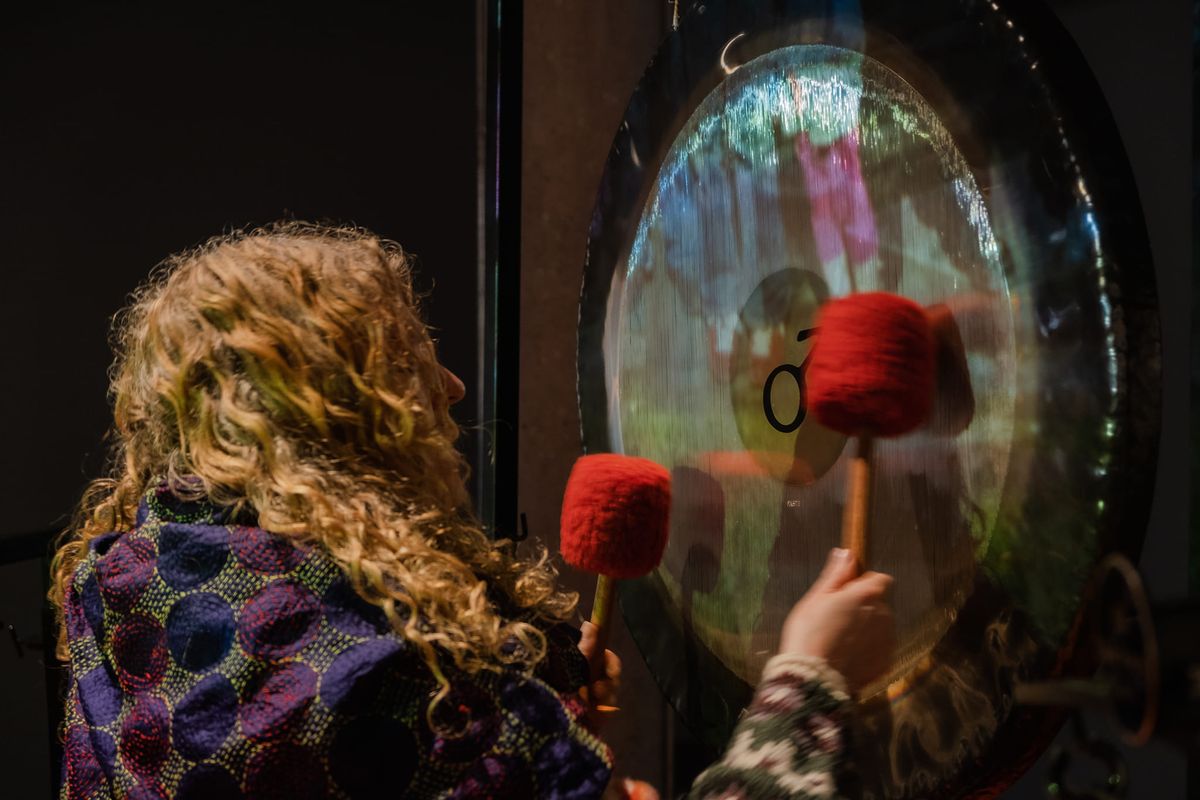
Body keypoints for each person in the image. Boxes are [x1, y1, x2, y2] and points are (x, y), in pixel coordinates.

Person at [50, 222, 896, 799]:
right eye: (412, 360)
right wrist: (809, 682)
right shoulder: (408, 693)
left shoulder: (116, 591)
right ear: (340, 413)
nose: (451, 388)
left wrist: (528, 748)